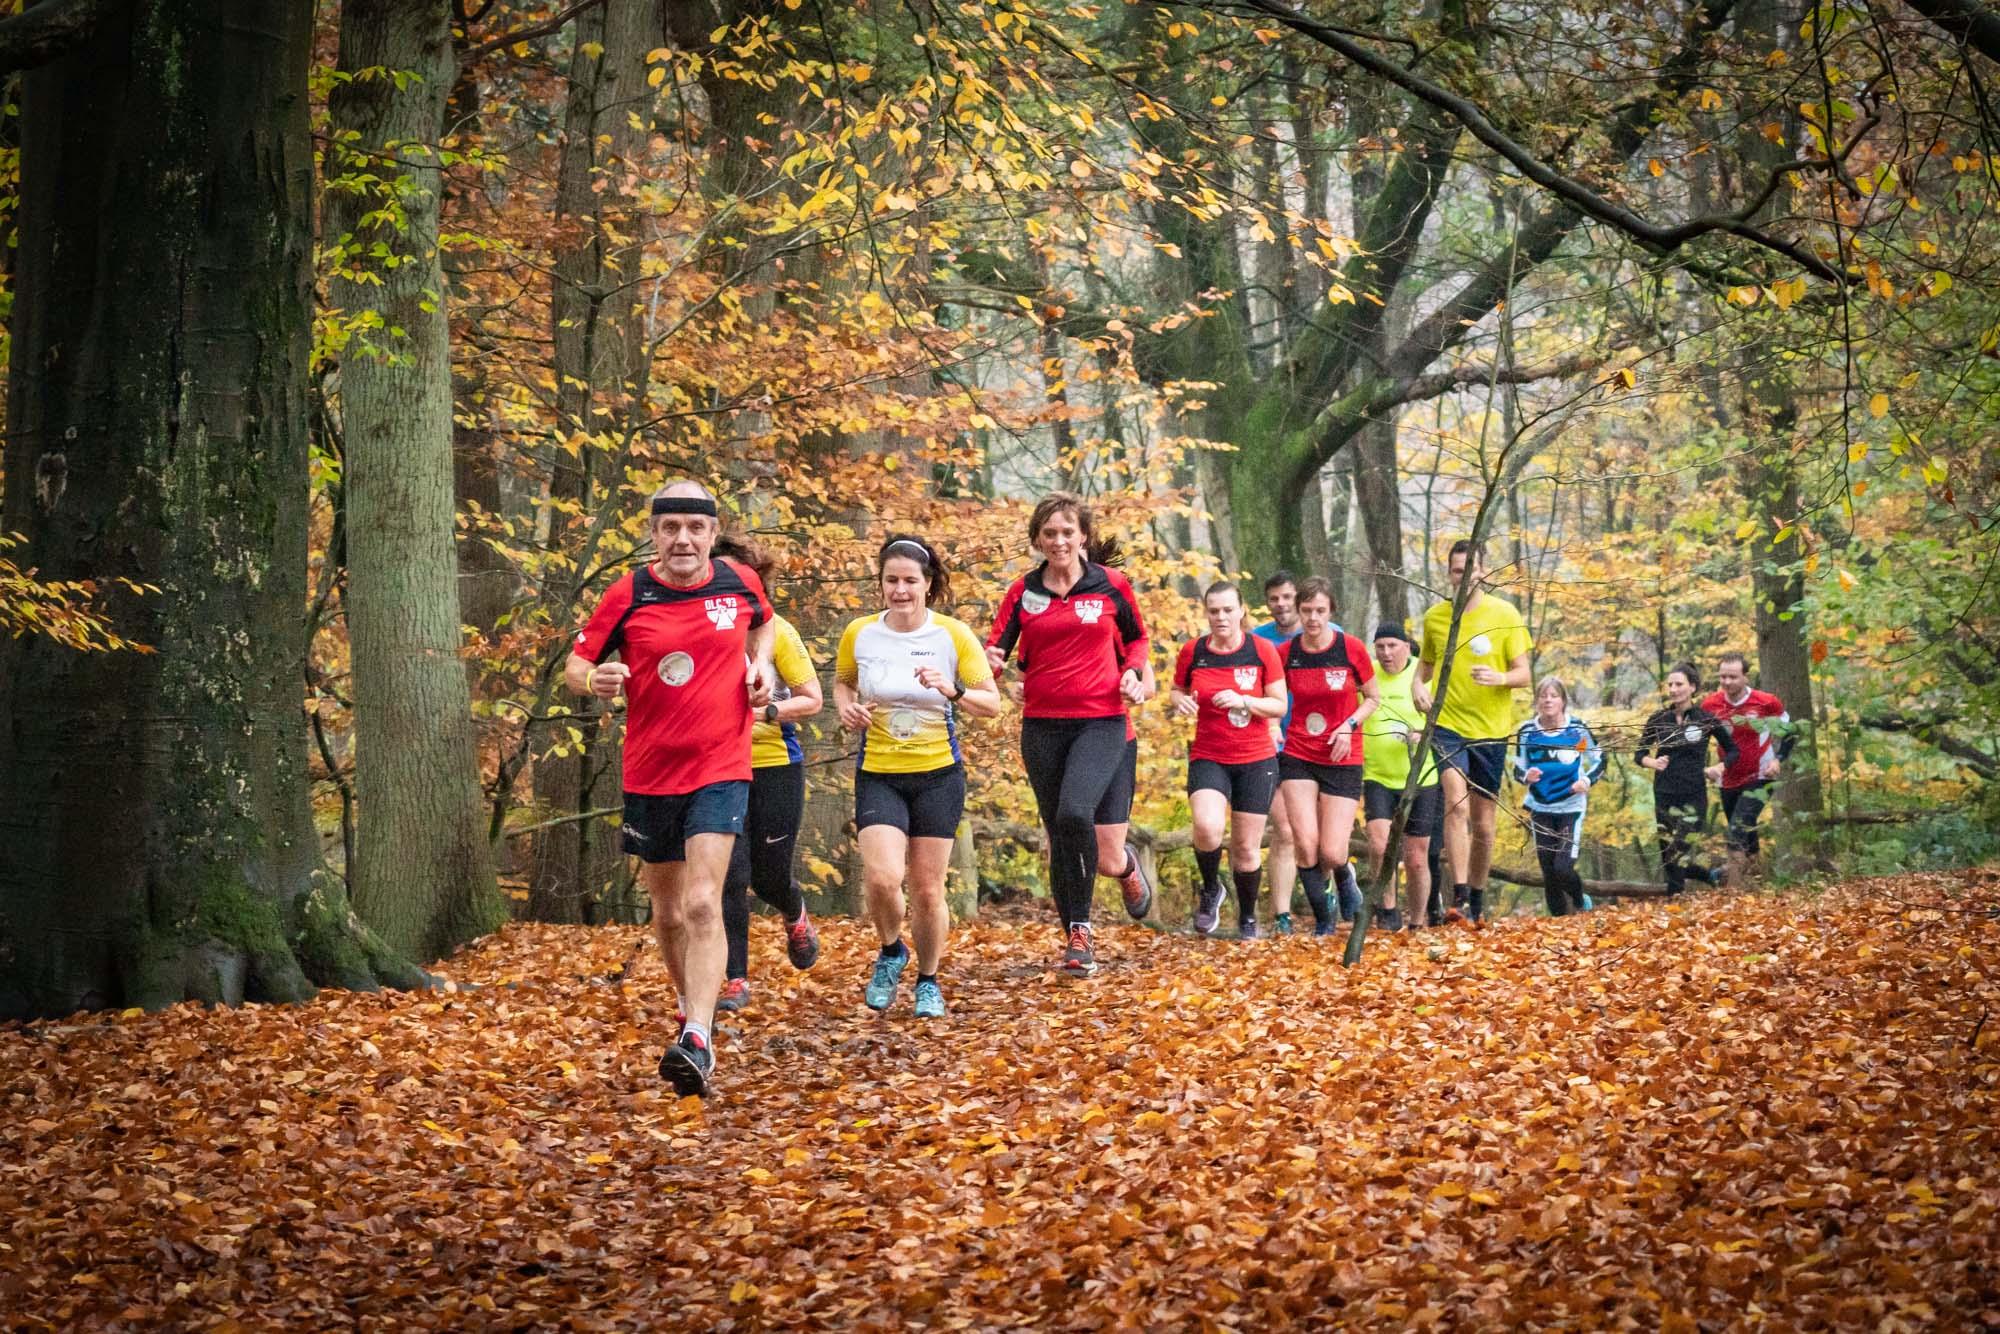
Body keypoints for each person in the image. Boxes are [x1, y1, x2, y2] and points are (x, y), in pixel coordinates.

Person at [566, 480, 773, 1097]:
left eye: (695, 528)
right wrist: (597, 679)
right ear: (654, 534)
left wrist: (758, 667)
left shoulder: (739, 583)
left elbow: (763, 626)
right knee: (668, 912)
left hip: (722, 764)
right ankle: (689, 1004)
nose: (683, 539)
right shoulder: (628, 593)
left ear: (713, 533)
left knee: (704, 903)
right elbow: (577, 666)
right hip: (651, 770)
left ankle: (700, 1038)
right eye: (670, 528)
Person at [986, 492, 1156, 976]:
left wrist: (1134, 673)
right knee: (1060, 834)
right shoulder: (1023, 592)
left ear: (1083, 536)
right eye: (1049, 533)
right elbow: (995, 649)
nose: (1059, 541)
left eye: (1067, 532)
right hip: (1042, 726)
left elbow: (1138, 639)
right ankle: (1074, 938)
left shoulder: (1111, 585)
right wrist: (991, 664)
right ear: (1038, 539)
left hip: (1101, 721)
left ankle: (1087, 919)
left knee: (1075, 813)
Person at [836, 535, 1002, 1018]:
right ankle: (891, 950)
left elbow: (991, 704)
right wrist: (848, 711)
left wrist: (951, 691)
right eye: (892, 581)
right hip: (880, 772)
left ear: (928, 585)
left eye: (911, 581)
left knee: (928, 889)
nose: (901, 590)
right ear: (881, 584)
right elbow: (844, 682)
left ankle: (928, 981)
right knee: (883, 878)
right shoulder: (860, 633)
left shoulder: (951, 635)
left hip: (938, 775)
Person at [712, 536, 823, 1014]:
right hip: (714, 766)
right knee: (728, 876)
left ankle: (793, 911)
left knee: (769, 876)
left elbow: (813, 698)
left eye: (738, 575)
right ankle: (735, 978)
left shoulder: (778, 631)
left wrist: (767, 713)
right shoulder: (698, 628)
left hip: (775, 763)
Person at [1418, 540, 1532, 922]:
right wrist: (1418, 687)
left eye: (1471, 568)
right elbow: (1424, 668)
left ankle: (1479, 896)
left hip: (1491, 731)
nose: (1464, 576)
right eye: (1456, 570)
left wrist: (1499, 677)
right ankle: (1460, 896)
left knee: (1483, 825)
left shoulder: (1505, 614)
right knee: (1456, 803)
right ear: (1449, 574)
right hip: (1448, 726)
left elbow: (1524, 674)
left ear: (1483, 571)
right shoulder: (1436, 617)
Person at [1170, 581, 1287, 937]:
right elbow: (1177, 689)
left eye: (1227, 610)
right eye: (1213, 611)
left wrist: (1244, 701)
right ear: (1206, 613)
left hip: (1255, 758)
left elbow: (1279, 704)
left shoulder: (1262, 650)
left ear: (1241, 611)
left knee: (1246, 848)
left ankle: (1248, 918)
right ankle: (1210, 889)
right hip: (1210, 754)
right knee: (1206, 827)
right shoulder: (1194, 651)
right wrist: (1179, 702)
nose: (1220, 617)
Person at [1277, 578, 1379, 935]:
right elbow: (1272, 696)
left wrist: (1349, 725)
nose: (1313, 618)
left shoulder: (1350, 648)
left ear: (1331, 611)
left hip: (1342, 755)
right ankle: (1324, 921)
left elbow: (1373, 699)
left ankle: (1343, 872)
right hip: (1299, 752)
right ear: (1298, 611)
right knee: (1306, 845)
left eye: (1320, 611)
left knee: (1332, 853)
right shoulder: (1287, 653)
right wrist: (1274, 723)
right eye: (1306, 611)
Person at [1361, 623, 1441, 932]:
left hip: (1421, 777)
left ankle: (1418, 922)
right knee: (1380, 847)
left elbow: (1442, 722)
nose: (1386, 653)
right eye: (1380, 647)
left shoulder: (1421, 677)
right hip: (1378, 775)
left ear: (1407, 647)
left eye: (1392, 646)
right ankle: (1389, 912)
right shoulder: (1366, 675)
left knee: (1416, 857)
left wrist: (1424, 734)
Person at [1510, 677, 1607, 917]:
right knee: (1548, 870)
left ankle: (1578, 897)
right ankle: (1557, 923)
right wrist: (1526, 776)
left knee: (1562, 867)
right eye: (1543, 696)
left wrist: (1586, 781)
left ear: (1563, 701)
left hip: (1570, 806)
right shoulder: (1528, 732)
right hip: (1540, 807)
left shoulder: (1576, 731)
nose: (1548, 700)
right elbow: (1517, 769)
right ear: (1537, 701)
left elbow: (1599, 759)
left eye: (1553, 696)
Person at [1638, 663, 1738, 894]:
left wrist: (1719, 767)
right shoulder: (1659, 719)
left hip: (1694, 794)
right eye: (1670, 684)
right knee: (1668, 856)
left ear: (1692, 687)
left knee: (1678, 848)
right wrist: (1653, 762)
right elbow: (1639, 755)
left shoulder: (1705, 719)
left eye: (1679, 684)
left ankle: (1691, 888)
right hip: (1664, 793)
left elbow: (1733, 750)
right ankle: (1680, 900)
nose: (1673, 689)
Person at [1702, 653, 1794, 885]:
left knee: (1737, 829)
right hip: (1728, 778)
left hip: (1761, 775)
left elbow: (1789, 731)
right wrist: (1708, 767)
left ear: (1745, 677)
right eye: (1723, 676)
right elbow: (1698, 740)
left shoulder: (1765, 701)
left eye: (1733, 677)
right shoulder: (1710, 705)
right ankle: (1757, 881)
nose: (1727, 682)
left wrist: (1778, 759)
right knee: (1747, 833)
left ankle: (1734, 893)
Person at [1251, 571, 1302, 932]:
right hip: (1269, 742)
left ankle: (1334, 879)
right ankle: (1282, 914)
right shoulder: (1256, 640)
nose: (1281, 605)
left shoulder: (1328, 635)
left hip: (1313, 745)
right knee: (1283, 829)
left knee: (1311, 833)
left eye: (1287, 597)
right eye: (1274, 599)